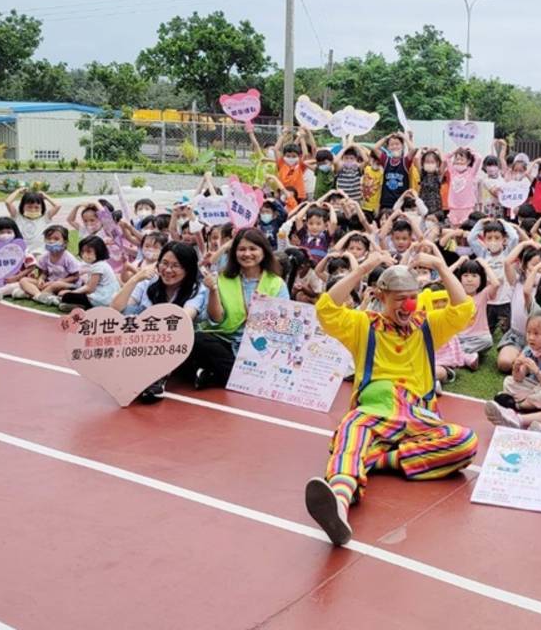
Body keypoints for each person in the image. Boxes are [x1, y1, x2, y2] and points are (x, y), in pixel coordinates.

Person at [304, 249, 478, 547]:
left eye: (412, 297)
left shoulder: (427, 326)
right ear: (380, 296)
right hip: (373, 410)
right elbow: (327, 309)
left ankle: (377, 460)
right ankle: (340, 504)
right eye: (400, 298)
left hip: (417, 415)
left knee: (466, 442)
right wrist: (363, 268)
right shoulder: (362, 325)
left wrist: (440, 265)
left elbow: (463, 309)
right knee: (351, 432)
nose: (408, 305)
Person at [187, 228, 288, 389]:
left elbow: (283, 323)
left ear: (264, 251)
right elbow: (216, 318)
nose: (247, 254)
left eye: (253, 249)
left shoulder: (277, 283)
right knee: (197, 339)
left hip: (259, 346)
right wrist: (213, 291)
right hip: (225, 341)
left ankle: (217, 374)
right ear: (234, 253)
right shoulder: (222, 278)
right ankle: (235, 375)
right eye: (242, 249)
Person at [110, 241, 208, 403]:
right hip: (142, 341)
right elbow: (116, 308)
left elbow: (183, 319)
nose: (168, 270)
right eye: (164, 263)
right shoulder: (149, 282)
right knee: (126, 319)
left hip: (173, 344)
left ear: (188, 269)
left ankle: (157, 378)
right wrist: (135, 278)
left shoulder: (197, 289)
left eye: (176, 266)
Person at [57, 237, 119, 311]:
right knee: (67, 294)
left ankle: (84, 306)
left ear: (98, 251)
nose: (84, 255)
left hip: (102, 299)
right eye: (83, 251)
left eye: (89, 251)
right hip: (105, 297)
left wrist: (72, 293)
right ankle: (79, 306)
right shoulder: (100, 264)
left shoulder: (98, 266)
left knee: (67, 296)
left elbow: (90, 288)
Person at [4, 186, 61, 255]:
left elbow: (57, 206)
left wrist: (45, 196)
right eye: (29, 207)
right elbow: (8, 202)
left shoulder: (45, 217)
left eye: (37, 207)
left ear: (42, 207)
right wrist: (18, 191)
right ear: (22, 206)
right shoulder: (17, 215)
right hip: (20, 252)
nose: (33, 210)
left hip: (39, 252)